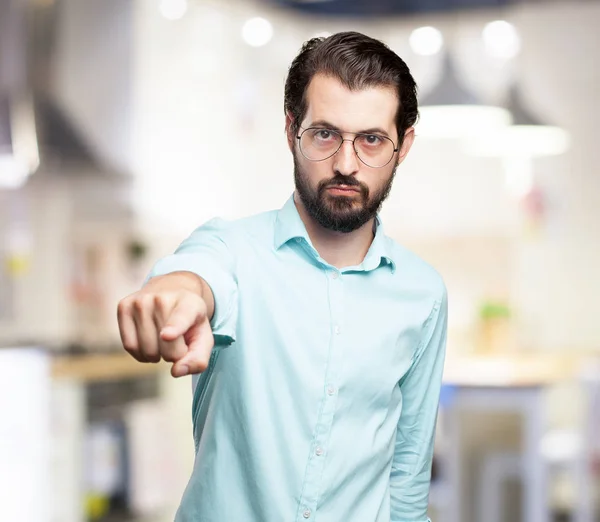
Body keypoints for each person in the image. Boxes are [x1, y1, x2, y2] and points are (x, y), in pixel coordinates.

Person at [117, 31, 448, 522]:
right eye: (324, 134)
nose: (344, 164)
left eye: (372, 140)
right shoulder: (233, 250)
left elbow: (407, 477)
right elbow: (194, 276)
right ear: (292, 128)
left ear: (403, 146)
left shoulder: (423, 294)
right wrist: (172, 296)